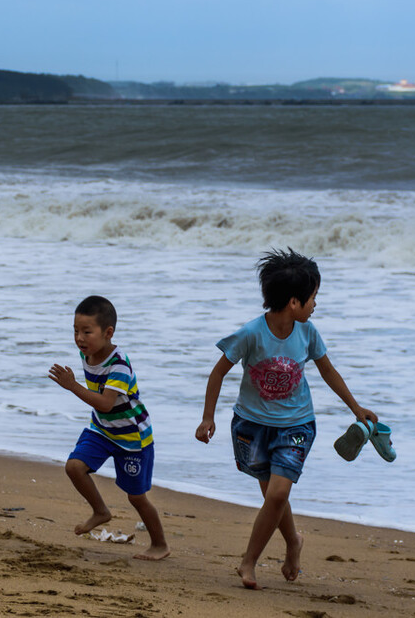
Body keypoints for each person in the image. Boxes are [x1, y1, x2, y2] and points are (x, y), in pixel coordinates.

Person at [195, 249, 378, 589]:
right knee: (273, 496)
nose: (315, 305)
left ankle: (249, 561)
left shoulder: (308, 333)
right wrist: (208, 417)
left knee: (278, 494)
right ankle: (294, 541)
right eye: (313, 297)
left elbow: (328, 371)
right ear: (294, 302)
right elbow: (218, 372)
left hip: (296, 425)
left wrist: (356, 408)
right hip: (251, 426)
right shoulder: (251, 333)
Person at [48, 295, 170, 561]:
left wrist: (73, 386)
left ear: (108, 332)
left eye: (86, 332)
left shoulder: (119, 364)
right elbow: (102, 409)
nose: (79, 338)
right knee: (74, 467)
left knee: (136, 497)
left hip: (132, 437)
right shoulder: (87, 353)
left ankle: (160, 544)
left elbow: (105, 403)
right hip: (102, 430)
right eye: (75, 331)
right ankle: (100, 511)